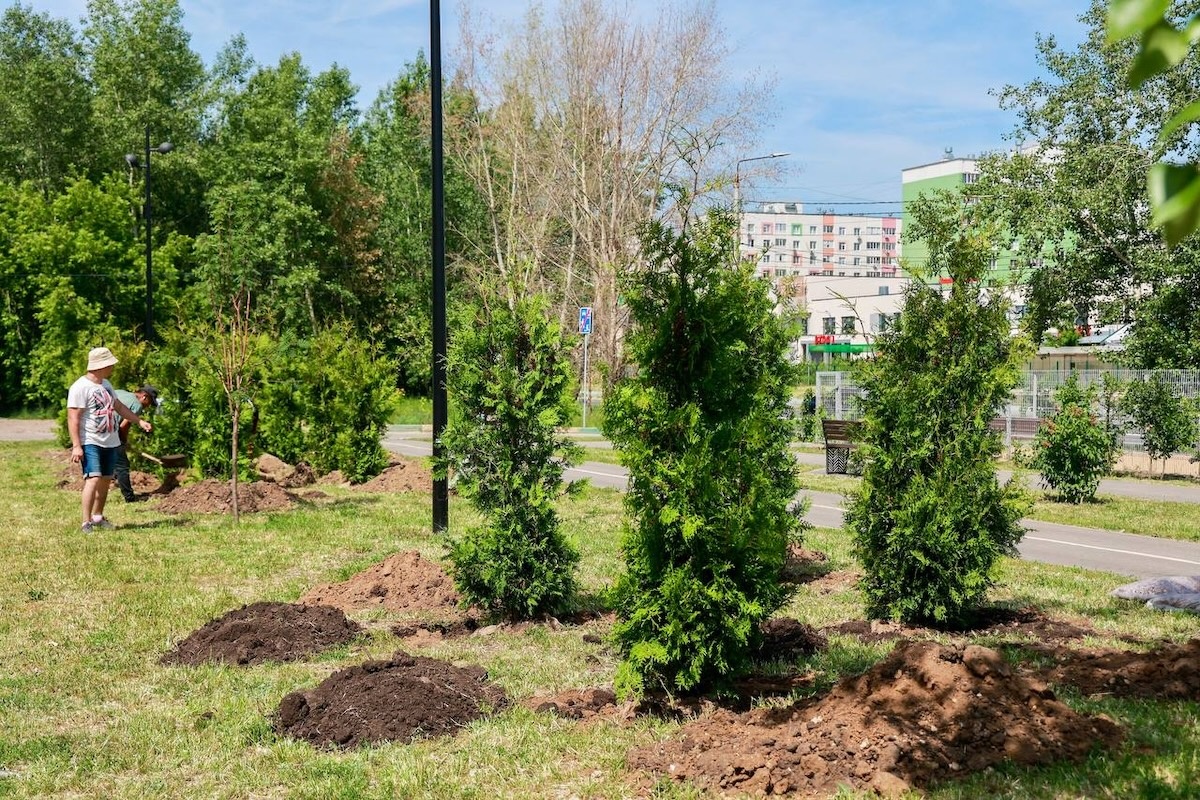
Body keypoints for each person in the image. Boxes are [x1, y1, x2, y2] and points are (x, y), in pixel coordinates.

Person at [66, 347, 153, 532]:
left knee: (105, 479)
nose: (113, 367)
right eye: (110, 364)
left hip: (110, 441)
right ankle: (85, 522)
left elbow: (118, 406)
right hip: (90, 440)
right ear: (101, 365)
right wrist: (76, 446)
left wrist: (139, 421)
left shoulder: (106, 384)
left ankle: (98, 517)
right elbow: (73, 417)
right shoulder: (80, 387)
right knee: (93, 479)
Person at [112, 384, 159, 502]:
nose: (147, 407)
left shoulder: (121, 392)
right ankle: (129, 498)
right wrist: (123, 441)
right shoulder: (137, 405)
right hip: (111, 431)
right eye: (149, 403)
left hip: (98, 428)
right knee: (123, 466)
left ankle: (112, 480)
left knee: (108, 460)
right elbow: (123, 427)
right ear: (144, 397)